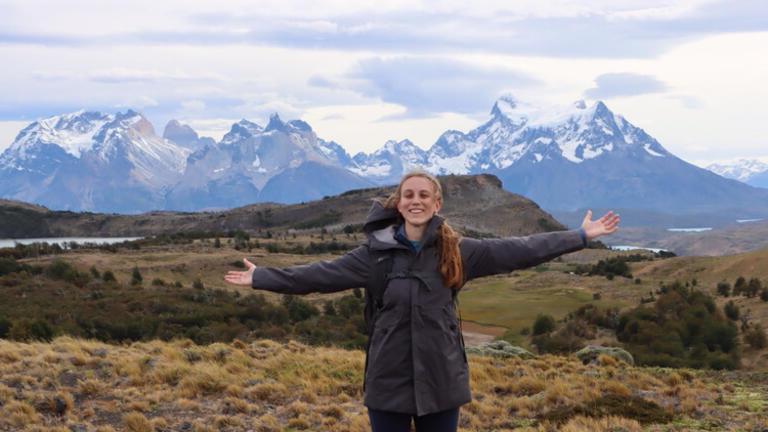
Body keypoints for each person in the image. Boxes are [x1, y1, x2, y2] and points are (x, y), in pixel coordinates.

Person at [224, 170, 620, 432]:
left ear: (437, 204)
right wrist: (262, 277)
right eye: (408, 195)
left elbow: (522, 249)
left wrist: (579, 237)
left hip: (442, 381)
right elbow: (316, 276)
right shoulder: (372, 255)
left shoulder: (460, 252)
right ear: (399, 204)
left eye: (424, 195)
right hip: (387, 383)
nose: (416, 200)